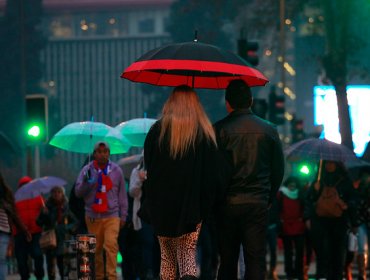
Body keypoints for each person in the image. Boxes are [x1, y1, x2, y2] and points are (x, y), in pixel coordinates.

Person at [138, 85, 231, 280]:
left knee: (168, 258)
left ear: (170, 103)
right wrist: (206, 207)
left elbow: (150, 170)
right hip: (191, 208)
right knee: (187, 255)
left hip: (162, 208)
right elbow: (211, 176)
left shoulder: (157, 131)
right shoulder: (203, 133)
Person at [213, 79, 285, 280]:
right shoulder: (269, 130)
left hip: (227, 204)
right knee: (255, 260)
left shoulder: (218, 130)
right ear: (251, 101)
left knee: (227, 260)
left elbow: (214, 171)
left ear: (228, 103)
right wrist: (268, 197)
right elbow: (278, 169)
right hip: (257, 202)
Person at [75, 141, 129, 280]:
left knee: (111, 246)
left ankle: (111, 276)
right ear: (94, 154)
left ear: (109, 153)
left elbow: (122, 195)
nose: (102, 154)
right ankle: (99, 276)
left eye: (105, 151)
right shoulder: (87, 170)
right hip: (93, 216)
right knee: (97, 250)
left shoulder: (116, 170)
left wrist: (123, 215)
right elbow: (78, 193)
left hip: (112, 215)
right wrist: (87, 181)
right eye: (99, 152)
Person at [304, 160, 358, 280]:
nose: (329, 166)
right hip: (320, 221)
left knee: (338, 253)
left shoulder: (345, 181)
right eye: (327, 163)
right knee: (322, 253)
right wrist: (315, 191)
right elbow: (308, 200)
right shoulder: (318, 180)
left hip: (339, 222)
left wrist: (353, 221)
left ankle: (335, 276)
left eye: (332, 163)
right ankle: (322, 275)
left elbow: (353, 201)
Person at [36, 186, 78, 279]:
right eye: (54, 192)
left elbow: (75, 222)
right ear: (51, 194)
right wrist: (44, 214)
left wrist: (66, 228)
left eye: (59, 192)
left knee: (62, 266)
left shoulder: (67, 206)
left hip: (63, 239)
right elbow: (39, 222)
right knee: (50, 266)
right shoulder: (46, 206)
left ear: (62, 193)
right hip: (50, 240)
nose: (56, 194)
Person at [0, 172, 31, 280]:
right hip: (7, 232)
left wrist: (25, 231)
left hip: (3, 231)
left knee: (1, 259)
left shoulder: (6, 194)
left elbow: (15, 215)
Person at [13, 176, 45, 280]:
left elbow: (43, 212)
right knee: (22, 259)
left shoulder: (37, 197)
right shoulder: (15, 199)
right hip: (20, 233)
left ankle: (39, 275)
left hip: (35, 232)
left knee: (37, 255)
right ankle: (25, 277)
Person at [277, 176, 305, 280]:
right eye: (291, 184)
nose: (292, 186)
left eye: (294, 184)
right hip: (286, 226)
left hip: (298, 225)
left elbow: (304, 208)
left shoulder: (301, 194)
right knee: (288, 252)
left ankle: (299, 272)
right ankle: (289, 273)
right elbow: (278, 210)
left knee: (299, 251)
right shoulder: (281, 194)